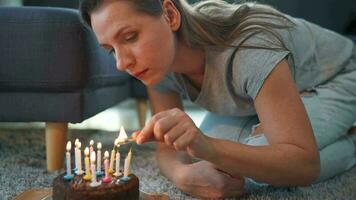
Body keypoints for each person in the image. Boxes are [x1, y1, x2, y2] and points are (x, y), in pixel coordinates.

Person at [79, 0, 356, 198]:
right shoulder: (155, 65)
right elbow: (167, 146)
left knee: (253, 170)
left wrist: (208, 147)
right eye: (110, 50)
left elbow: (303, 167)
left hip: (340, 76)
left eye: (129, 37)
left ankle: (351, 138)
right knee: (211, 165)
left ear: (169, 14)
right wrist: (181, 175)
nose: (121, 63)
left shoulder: (249, 48)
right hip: (257, 94)